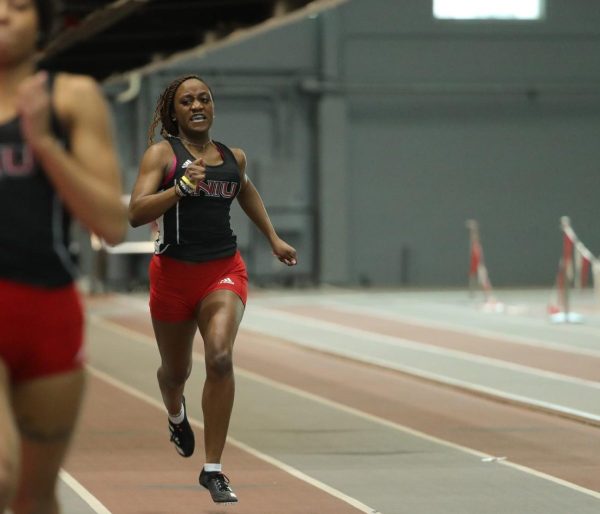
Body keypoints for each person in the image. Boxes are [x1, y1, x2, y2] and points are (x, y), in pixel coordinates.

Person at [128, 74, 297, 503]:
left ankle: (214, 468)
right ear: (175, 111)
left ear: (213, 106)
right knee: (175, 372)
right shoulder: (161, 155)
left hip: (222, 271)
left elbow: (248, 193)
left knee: (220, 357)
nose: (197, 105)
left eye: (204, 98)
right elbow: (135, 212)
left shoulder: (231, 157)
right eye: (187, 101)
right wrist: (180, 188)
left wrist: (273, 238)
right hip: (171, 276)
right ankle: (175, 412)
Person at [0, 1, 127, 512]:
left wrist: (45, 142)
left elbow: (112, 226)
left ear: (43, 21)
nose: (4, 15)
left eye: (19, 5)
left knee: (35, 498)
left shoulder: (73, 96)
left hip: (48, 313)